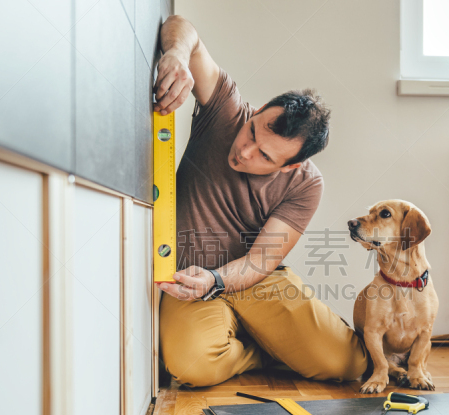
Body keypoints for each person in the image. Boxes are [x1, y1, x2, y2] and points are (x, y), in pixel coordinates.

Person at [154, 15, 367, 387]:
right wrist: (176, 52)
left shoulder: (306, 184)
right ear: (256, 113)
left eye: (265, 157)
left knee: (347, 364)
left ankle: (270, 340)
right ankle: (265, 350)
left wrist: (218, 279)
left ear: (290, 166)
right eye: (253, 131)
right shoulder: (226, 111)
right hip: (188, 278)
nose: (244, 151)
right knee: (192, 367)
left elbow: (259, 260)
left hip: (254, 279)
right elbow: (182, 27)